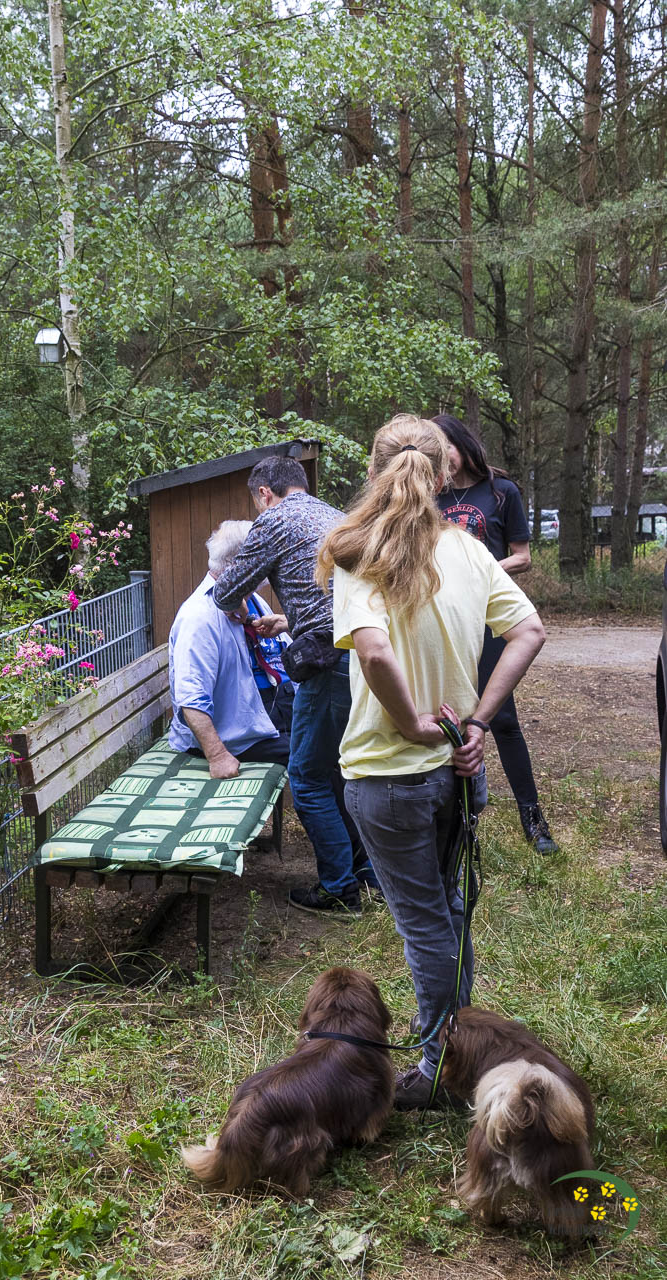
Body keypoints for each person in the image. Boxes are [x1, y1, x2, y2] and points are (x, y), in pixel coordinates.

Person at [319, 414, 545, 1107]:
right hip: (457, 770)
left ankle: (437, 1065)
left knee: (425, 922)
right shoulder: (470, 552)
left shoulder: (358, 550)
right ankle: (462, 1049)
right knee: (447, 912)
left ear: (373, 469)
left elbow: (374, 650)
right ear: (447, 474)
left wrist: (411, 723)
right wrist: (475, 721)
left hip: (388, 777)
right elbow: (529, 631)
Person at [212, 454, 374, 917]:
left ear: (265, 493)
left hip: (327, 659)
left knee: (305, 777)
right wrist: (288, 620)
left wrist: (238, 600)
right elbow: (330, 592)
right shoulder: (337, 516)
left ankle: (338, 889)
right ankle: (368, 872)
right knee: (343, 768)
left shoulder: (275, 519)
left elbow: (226, 591)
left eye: (256, 501)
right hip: (365, 650)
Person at [433, 413, 559, 854]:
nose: (441, 459)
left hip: (488, 618)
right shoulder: (431, 496)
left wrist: (480, 572)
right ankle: (455, 819)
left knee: (501, 718)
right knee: (446, 713)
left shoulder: (501, 491)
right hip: (447, 620)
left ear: (462, 444)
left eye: (445, 448)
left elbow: (522, 556)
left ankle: (533, 820)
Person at [168, 521, 290, 773]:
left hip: (272, 706)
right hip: (239, 734)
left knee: (334, 733)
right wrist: (217, 756)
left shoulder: (249, 599)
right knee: (318, 757)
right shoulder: (199, 617)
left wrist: (287, 623)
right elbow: (190, 697)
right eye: (262, 561)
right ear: (242, 566)